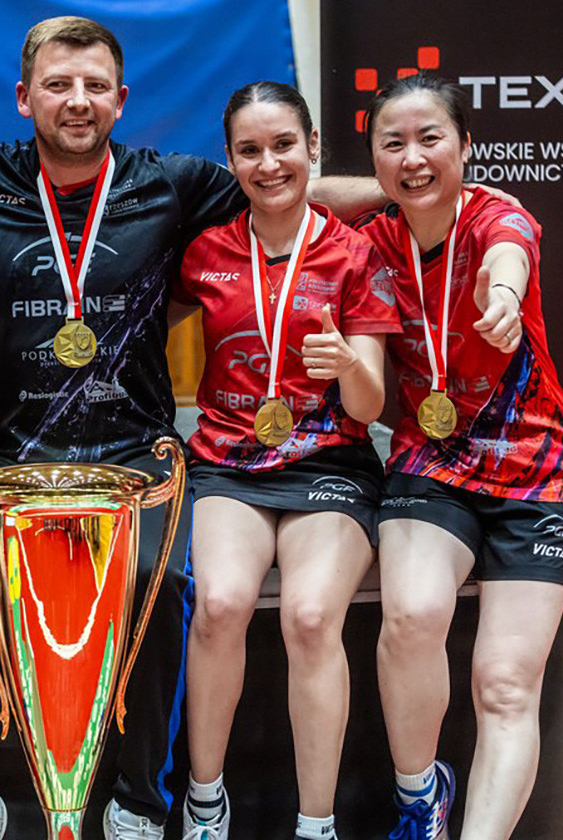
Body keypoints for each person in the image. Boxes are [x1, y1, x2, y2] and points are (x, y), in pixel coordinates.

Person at [0, 17, 390, 840]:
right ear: (24, 96)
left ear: (121, 98)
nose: (78, 101)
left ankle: (141, 802)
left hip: (134, 451)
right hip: (11, 451)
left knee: (166, 583)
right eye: (58, 85)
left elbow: (286, 186)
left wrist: (419, 192)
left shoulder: (172, 184)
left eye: (95, 86)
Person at [357, 73, 563, 840]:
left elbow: (508, 258)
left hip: (536, 472)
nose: (413, 157)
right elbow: (307, 188)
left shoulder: (499, 217)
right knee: (412, 616)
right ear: (373, 159)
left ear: (466, 147)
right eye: (394, 144)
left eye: (432, 139)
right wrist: (396, 180)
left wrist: (504, 298)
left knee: (505, 686)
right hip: (432, 464)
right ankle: (421, 796)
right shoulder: (370, 244)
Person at [171, 82, 400, 840]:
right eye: (250, 151)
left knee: (309, 616)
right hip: (228, 463)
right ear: (230, 159)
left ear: (313, 149)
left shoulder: (356, 253)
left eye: (283, 146)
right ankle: (205, 802)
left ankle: (315, 822)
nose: (269, 164)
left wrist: (348, 366)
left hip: (330, 461)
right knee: (221, 605)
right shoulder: (206, 251)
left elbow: (370, 405)